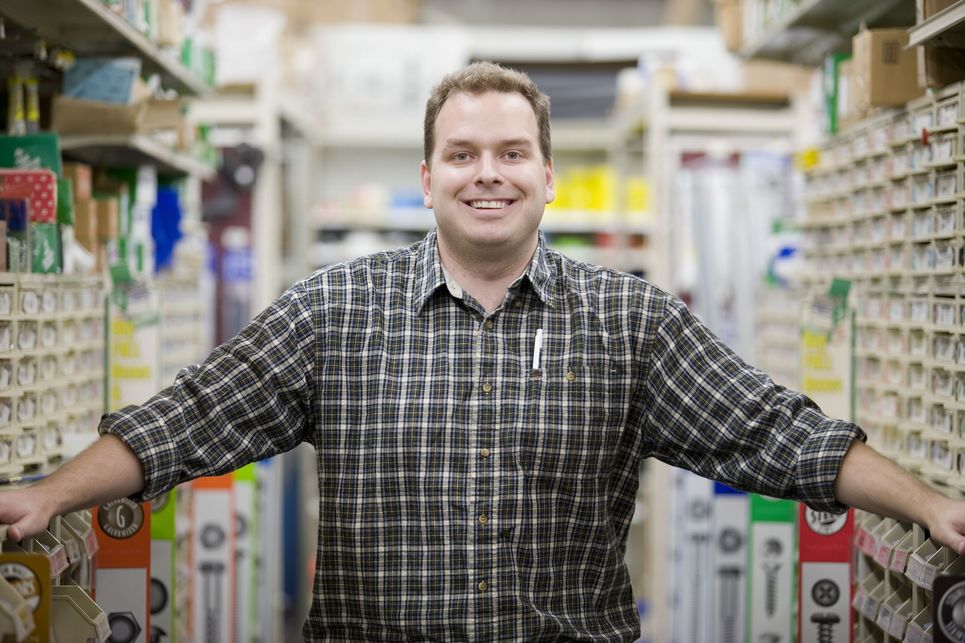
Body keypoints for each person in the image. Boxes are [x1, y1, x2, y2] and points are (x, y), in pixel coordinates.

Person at [2, 61, 964, 641]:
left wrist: (927, 503)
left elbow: (776, 434)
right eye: (462, 154)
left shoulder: (627, 320)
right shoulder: (336, 309)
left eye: (510, 153)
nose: (487, 174)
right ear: (427, 178)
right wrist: (48, 492)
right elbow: (189, 418)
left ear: (547, 174)